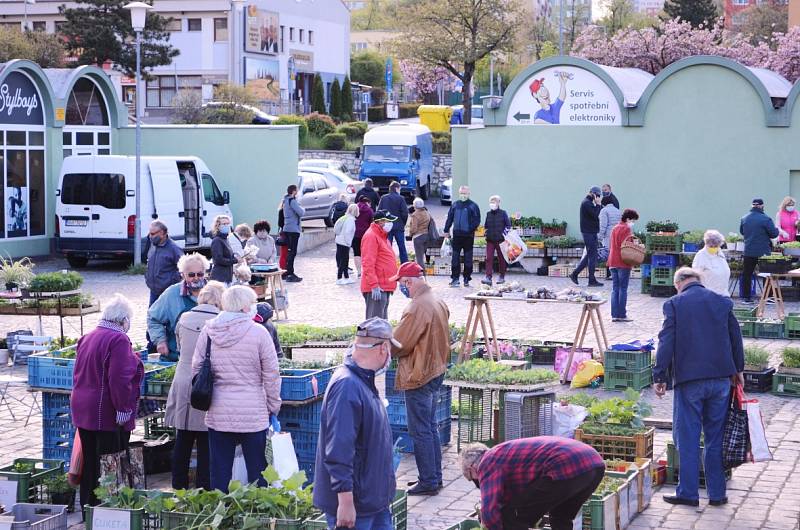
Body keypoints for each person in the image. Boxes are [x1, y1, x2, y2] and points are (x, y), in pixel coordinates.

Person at [653, 267, 744, 508]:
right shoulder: (722, 302)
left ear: (679, 283)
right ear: (698, 281)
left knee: (688, 437)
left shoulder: (674, 303)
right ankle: (717, 494)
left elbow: (666, 341)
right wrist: (739, 370)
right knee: (715, 438)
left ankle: (688, 493)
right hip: (721, 379)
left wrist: (659, 374)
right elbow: (735, 337)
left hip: (690, 380)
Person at [192, 285, 282, 492]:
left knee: (220, 471)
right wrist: (273, 406)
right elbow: (272, 375)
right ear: (243, 307)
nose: (253, 308)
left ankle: (221, 515)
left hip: (218, 411)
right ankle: (258, 515)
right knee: (258, 471)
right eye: (251, 303)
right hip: (253, 413)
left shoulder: (209, 331)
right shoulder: (259, 333)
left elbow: (196, 368)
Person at [313, 318, 398, 530]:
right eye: (391, 351)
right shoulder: (347, 385)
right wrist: (345, 501)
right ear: (383, 348)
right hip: (357, 505)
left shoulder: (361, 381)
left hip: (372, 500)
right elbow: (338, 449)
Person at [71, 294, 143, 509]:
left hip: (83, 407)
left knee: (91, 463)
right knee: (110, 463)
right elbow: (119, 378)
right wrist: (123, 409)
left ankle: (88, 510)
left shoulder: (89, 336)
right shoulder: (118, 339)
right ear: (123, 320)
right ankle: (107, 510)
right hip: (105, 410)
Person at [390, 262, 450, 496]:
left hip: (420, 374)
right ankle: (434, 477)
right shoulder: (436, 299)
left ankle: (429, 481)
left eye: (401, 283)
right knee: (430, 427)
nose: (401, 288)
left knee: (421, 430)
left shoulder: (417, 307)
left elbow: (400, 343)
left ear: (409, 282)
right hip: (435, 369)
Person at [460, 437, 604, 530]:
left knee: (513, 518)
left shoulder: (487, 462)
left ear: (471, 467)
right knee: (561, 517)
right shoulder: (501, 453)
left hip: (565, 466)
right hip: (593, 464)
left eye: (472, 478)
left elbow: (490, 512)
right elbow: (521, 493)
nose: (478, 482)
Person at [165, 280, 225, 490]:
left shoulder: (184, 318)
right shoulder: (220, 322)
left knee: (183, 436)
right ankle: (203, 487)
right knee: (206, 439)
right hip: (207, 381)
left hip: (182, 379)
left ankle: (178, 486)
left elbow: (180, 347)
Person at [147, 253, 209, 361]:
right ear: (183, 275)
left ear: (205, 273)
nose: (196, 278)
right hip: (177, 356)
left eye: (200, 274)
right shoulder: (172, 294)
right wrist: (160, 340)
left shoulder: (214, 292)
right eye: (191, 275)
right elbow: (153, 318)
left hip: (207, 358)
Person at [360, 210, 399, 320]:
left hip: (384, 285)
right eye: (388, 221)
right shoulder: (371, 236)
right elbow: (367, 263)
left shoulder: (382, 235)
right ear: (380, 222)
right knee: (375, 324)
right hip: (377, 287)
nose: (391, 224)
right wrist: (374, 285)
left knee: (381, 323)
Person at [740, 198, 779, 303]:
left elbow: (742, 232)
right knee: (766, 274)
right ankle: (768, 298)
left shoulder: (744, 218)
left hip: (749, 251)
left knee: (747, 274)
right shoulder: (766, 219)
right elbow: (774, 234)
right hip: (763, 252)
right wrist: (777, 229)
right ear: (762, 206)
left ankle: (746, 297)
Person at [444, 185, 481, 288]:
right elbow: (450, 218)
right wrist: (446, 230)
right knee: (455, 258)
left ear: (469, 194)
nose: (463, 195)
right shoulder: (455, 205)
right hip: (456, 236)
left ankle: (466, 278)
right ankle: (455, 279)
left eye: (465, 193)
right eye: (461, 193)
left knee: (468, 258)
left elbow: (477, 220)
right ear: (459, 193)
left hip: (468, 237)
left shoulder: (473, 206)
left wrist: (470, 229)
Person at [607, 209, 639, 323]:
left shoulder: (615, 228)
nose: (633, 223)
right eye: (633, 220)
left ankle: (614, 315)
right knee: (623, 289)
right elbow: (628, 246)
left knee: (615, 289)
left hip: (612, 261)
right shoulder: (626, 229)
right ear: (628, 219)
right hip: (623, 262)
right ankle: (622, 314)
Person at [143, 219, 183, 306]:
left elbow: (184, 268)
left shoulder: (174, 249)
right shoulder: (153, 245)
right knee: (152, 317)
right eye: (149, 234)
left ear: (161, 233)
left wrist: (170, 281)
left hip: (168, 292)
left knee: (166, 318)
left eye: (153, 234)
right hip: (154, 291)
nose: (150, 236)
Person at [570, 186, 603, 287]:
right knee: (592, 256)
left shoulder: (588, 203)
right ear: (593, 194)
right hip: (588, 232)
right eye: (597, 195)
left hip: (591, 232)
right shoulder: (586, 203)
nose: (598, 197)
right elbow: (596, 215)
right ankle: (591, 280)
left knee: (590, 255)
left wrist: (598, 205)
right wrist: (598, 205)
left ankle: (575, 274)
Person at [377, 181, 410, 263]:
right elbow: (405, 213)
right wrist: (403, 223)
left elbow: (379, 212)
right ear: (396, 188)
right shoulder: (401, 198)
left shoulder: (383, 198)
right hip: (398, 226)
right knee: (402, 247)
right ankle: (404, 265)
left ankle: (388, 263)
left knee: (387, 247)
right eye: (400, 189)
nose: (400, 191)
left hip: (386, 226)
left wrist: (381, 224)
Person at [482, 195, 511, 286]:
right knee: (488, 258)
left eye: (494, 202)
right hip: (490, 240)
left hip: (500, 240)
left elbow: (508, 226)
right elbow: (486, 226)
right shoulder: (488, 214)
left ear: (498, 203)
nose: (492, 204)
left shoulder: (503, 213)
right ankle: (488, 277)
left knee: (501, 259)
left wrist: (503, 234)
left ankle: (501, 276)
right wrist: (486, 232)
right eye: (491, 202)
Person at [692, 230, 731, 297]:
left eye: (716, 246)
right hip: (708, 296)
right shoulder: (700, 255)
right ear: (706, 243)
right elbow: (695, 276)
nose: (713, 248)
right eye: (711, 246)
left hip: (723, 294)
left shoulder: (720, 254)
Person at [282, 184, 306, 282]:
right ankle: (290, 273)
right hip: (293, 229)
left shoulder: (285, 200)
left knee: (289, 251)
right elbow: (301, 212)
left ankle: (287, 272)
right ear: (294, 191)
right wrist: (303, 209)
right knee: (292, 251)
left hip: (287, 228)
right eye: (297, 190)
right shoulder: (292, 201)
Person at [334, 203, 359, 285]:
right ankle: (339, 278)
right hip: (344, 242)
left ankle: (346, 277)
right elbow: (348, 232)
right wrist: (349, 243)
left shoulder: (345, 217)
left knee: (344, 260)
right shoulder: (351, 220)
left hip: (339, 240)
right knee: (344, 261)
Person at [209, 215, 237, 284]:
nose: (226, 226)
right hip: (219, 278)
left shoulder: (225, 239)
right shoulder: (217, 240)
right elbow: (219, 259)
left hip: (227, 277)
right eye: (224, 224)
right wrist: (235, 260)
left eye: (228, 224)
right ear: (218, 226)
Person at [407, 197, 432, 272]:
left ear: (415, 206)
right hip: (426, 236)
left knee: (419, 257)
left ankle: (421, 273)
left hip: (418, 237)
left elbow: (414, 228)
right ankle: (422, 272)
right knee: (423, 256)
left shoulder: (415, 215)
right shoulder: (426, 212)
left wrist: (410, 234)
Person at [353, 196, 374, 277]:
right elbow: (372, 223)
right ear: (367, 203)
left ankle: (358, 272)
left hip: (355, 234)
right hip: (366, 235)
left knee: (356, 253)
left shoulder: (354, 208)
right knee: (366, 253)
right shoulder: (369, 210)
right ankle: (366, 271)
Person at [598, 195, 621, 264]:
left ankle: (609, 273)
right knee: (615, 255)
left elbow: (602, 226)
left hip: (608, 236)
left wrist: (599, 238)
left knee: (608, 255)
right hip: (618, 236)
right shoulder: (618, 211)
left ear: (603, 203)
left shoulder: (604, 211)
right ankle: (614, 273)